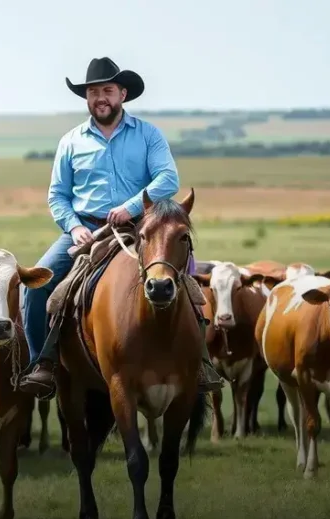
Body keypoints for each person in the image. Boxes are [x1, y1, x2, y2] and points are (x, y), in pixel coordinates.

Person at [17, 56, 226, 400]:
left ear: (122, 94)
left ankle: (199, 361)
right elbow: (57, 195)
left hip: (141, 228)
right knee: (35, 285)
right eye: (93, 92)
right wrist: (73, 227)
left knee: (186, 281)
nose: (101, 97)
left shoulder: (148, 135)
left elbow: (168, 178)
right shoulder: (71, 141)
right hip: (85, 230)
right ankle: (43, 364)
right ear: (86, 98)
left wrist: (130, 207)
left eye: (108, 90)